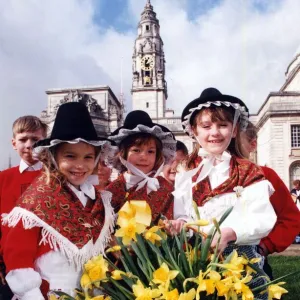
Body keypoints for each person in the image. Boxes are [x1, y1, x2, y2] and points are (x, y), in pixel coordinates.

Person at [1, 102, 116, 299]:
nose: (80, 165)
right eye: (70, 156)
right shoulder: (36, 198)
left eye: (88, 157)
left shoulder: (99, 201)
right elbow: (18, 260)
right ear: (53, 157)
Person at [174, 88, 277, 299]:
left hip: (241, 261)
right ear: (194, 130)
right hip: (197, 260)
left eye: (223, 125)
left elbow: (263, 218)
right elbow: (182, 213)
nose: (215, 132)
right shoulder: (185, 170)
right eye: (206, 126)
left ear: (234, 129)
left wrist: (230, 233)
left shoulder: (248, 170)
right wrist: (180, 224)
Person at [0, 115, 47, 299]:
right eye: (23, 139)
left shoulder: (55, 178)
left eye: (35, 140)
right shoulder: (3, 179)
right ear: (14, 143)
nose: (29, 145)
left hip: (46, 267)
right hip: (8, 268)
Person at [106, 110, 179, 225]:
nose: (144, 157)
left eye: (150, 151)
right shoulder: (110, 192)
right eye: (136, 150)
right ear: (123, 154)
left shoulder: (166, 188)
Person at [240, 121, 300, 261]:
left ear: (252, 145)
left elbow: (291, 218)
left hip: (253, 259)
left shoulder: (265, 175)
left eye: (234, 142)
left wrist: (266, 246)